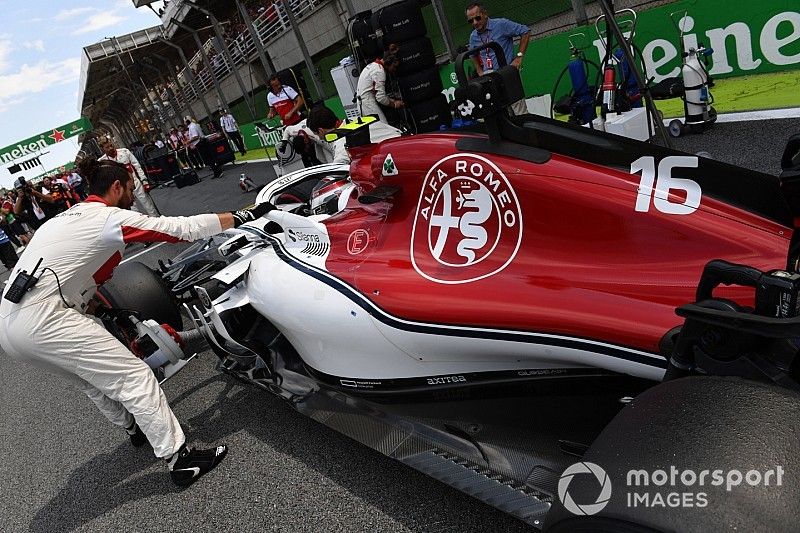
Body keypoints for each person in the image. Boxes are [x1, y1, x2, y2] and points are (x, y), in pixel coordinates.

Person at [0, 157, 277, 487]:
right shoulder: (106, 218)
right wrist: (241, 216)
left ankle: (133, 429)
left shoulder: (59, 221)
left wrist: (98, 310)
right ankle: (180, 460)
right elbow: (180, 229)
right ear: (116, 187)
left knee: (91, 382)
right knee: (134, 377)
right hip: (46, 318)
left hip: (9, 326)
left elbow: (74, 276)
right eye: (131, 188)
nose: (133, 195)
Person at [466, 2, 531, 115]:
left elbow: (525, 31)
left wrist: (519, 57)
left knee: (519, 111)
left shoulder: (501, 24)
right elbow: (472, 54)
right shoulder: (473, 36)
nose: (475, 22)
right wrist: (480, 71)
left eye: (477, 18)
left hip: (507, 73)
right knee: (502, 113)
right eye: (471, 21)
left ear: (485, 14)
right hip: (489, 77)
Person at [306, 105, 402, 165]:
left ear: (321, 131)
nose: (320, 138)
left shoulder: (343, 142)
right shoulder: (357, 120)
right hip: (404, 140)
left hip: (398, 157)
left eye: (317, 134)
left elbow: (337, 170)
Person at [98, 137, 161, 217]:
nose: (111, 148)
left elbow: (137, 166)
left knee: (148, 205)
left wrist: (144, 181)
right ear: (102, 149)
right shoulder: (102, 162)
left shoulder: (125, 152)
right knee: (133, 212)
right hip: (122, 190)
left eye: (111, 145)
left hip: (135, 183)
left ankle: (157, 220)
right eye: (107, 147)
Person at [356, 53, 404, 123]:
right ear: (388, 62)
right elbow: (380, 98)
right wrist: (395, 104)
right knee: (384, 127)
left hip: (362, 103)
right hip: (368, 104)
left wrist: (392, 100)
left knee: (376, 128)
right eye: (394, 66)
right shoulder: (380, 72)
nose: (394, 69)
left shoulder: (372, 65)